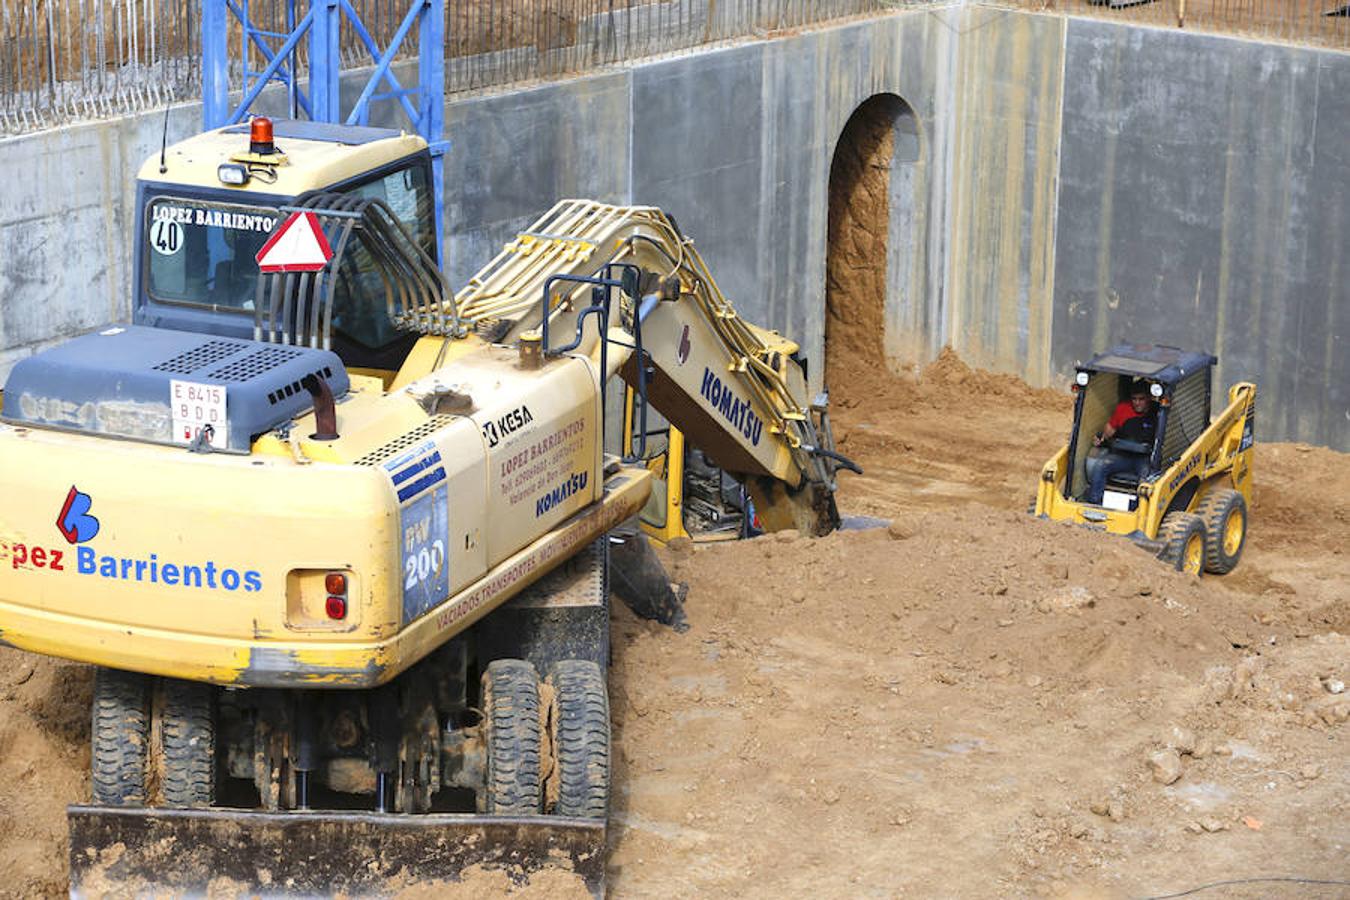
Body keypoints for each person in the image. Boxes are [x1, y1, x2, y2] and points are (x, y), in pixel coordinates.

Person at [1084, 381, 1158, 505]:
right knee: (1101, 465)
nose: (1137, 403)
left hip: (1144, 459)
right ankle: (1095, 502)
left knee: (1147, 478)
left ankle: (1139, 509)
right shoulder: (1123, 409)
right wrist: (1101, 438)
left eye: (1141, 399)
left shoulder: (1157, 412)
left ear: (1149, 398)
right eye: (1134, 399)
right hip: (1122, 456)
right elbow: (1108, 431)